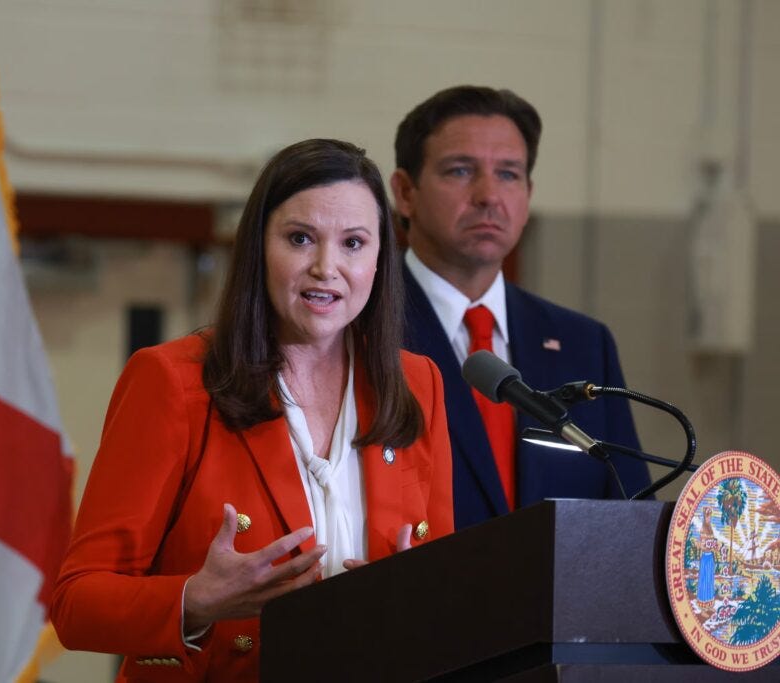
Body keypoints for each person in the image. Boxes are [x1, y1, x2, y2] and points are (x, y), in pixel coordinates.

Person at [51, 138, 454, 681]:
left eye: (354, 243)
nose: (325, 267)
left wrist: (420, 603)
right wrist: (197, 600)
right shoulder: (173, 381)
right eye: (300, 238)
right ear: (258, 247)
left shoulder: (417, 382)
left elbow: (450, 588)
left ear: (381, 258)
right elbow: (77, 604)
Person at [390, 85, 651, 531]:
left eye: (508, 174)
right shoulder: (361, 329)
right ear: (405, 192)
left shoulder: (584, 344)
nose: (489, 195)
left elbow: (629, 514)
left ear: (528, 195)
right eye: (459, 170)